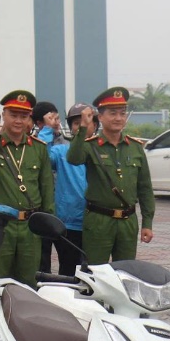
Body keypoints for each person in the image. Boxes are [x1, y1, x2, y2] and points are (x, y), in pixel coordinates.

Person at [0, 91, 55, 286]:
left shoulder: (38, 148)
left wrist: (48, 220)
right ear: (3, 116)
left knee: (28, 280)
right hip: (0, 224)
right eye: (13, 115)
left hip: (30, 224)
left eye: (23, 116)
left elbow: (46, 186)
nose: (18, 121)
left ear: (29, 118)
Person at [66, 86, 156, 263]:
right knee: (96, 273)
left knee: (125, 272)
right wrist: (83, 128)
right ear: (100, 117)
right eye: (113, 113)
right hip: (99, 221)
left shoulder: (136, 147)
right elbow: (74, 159)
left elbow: (144, 188)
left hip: (128, 221)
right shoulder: (90, 145)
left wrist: (147, 222)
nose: (118, 118)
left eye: (122, 113)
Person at [49, 103, 94, 275]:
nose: (82, 125)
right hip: (68, 223)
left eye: (86, 121)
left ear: (95, 125)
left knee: (92, 271)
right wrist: (47, 130)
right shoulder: (61, 151)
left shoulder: (101, 151)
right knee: (67, 269)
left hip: (94, 222)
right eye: (77, 123)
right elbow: (42, 159)